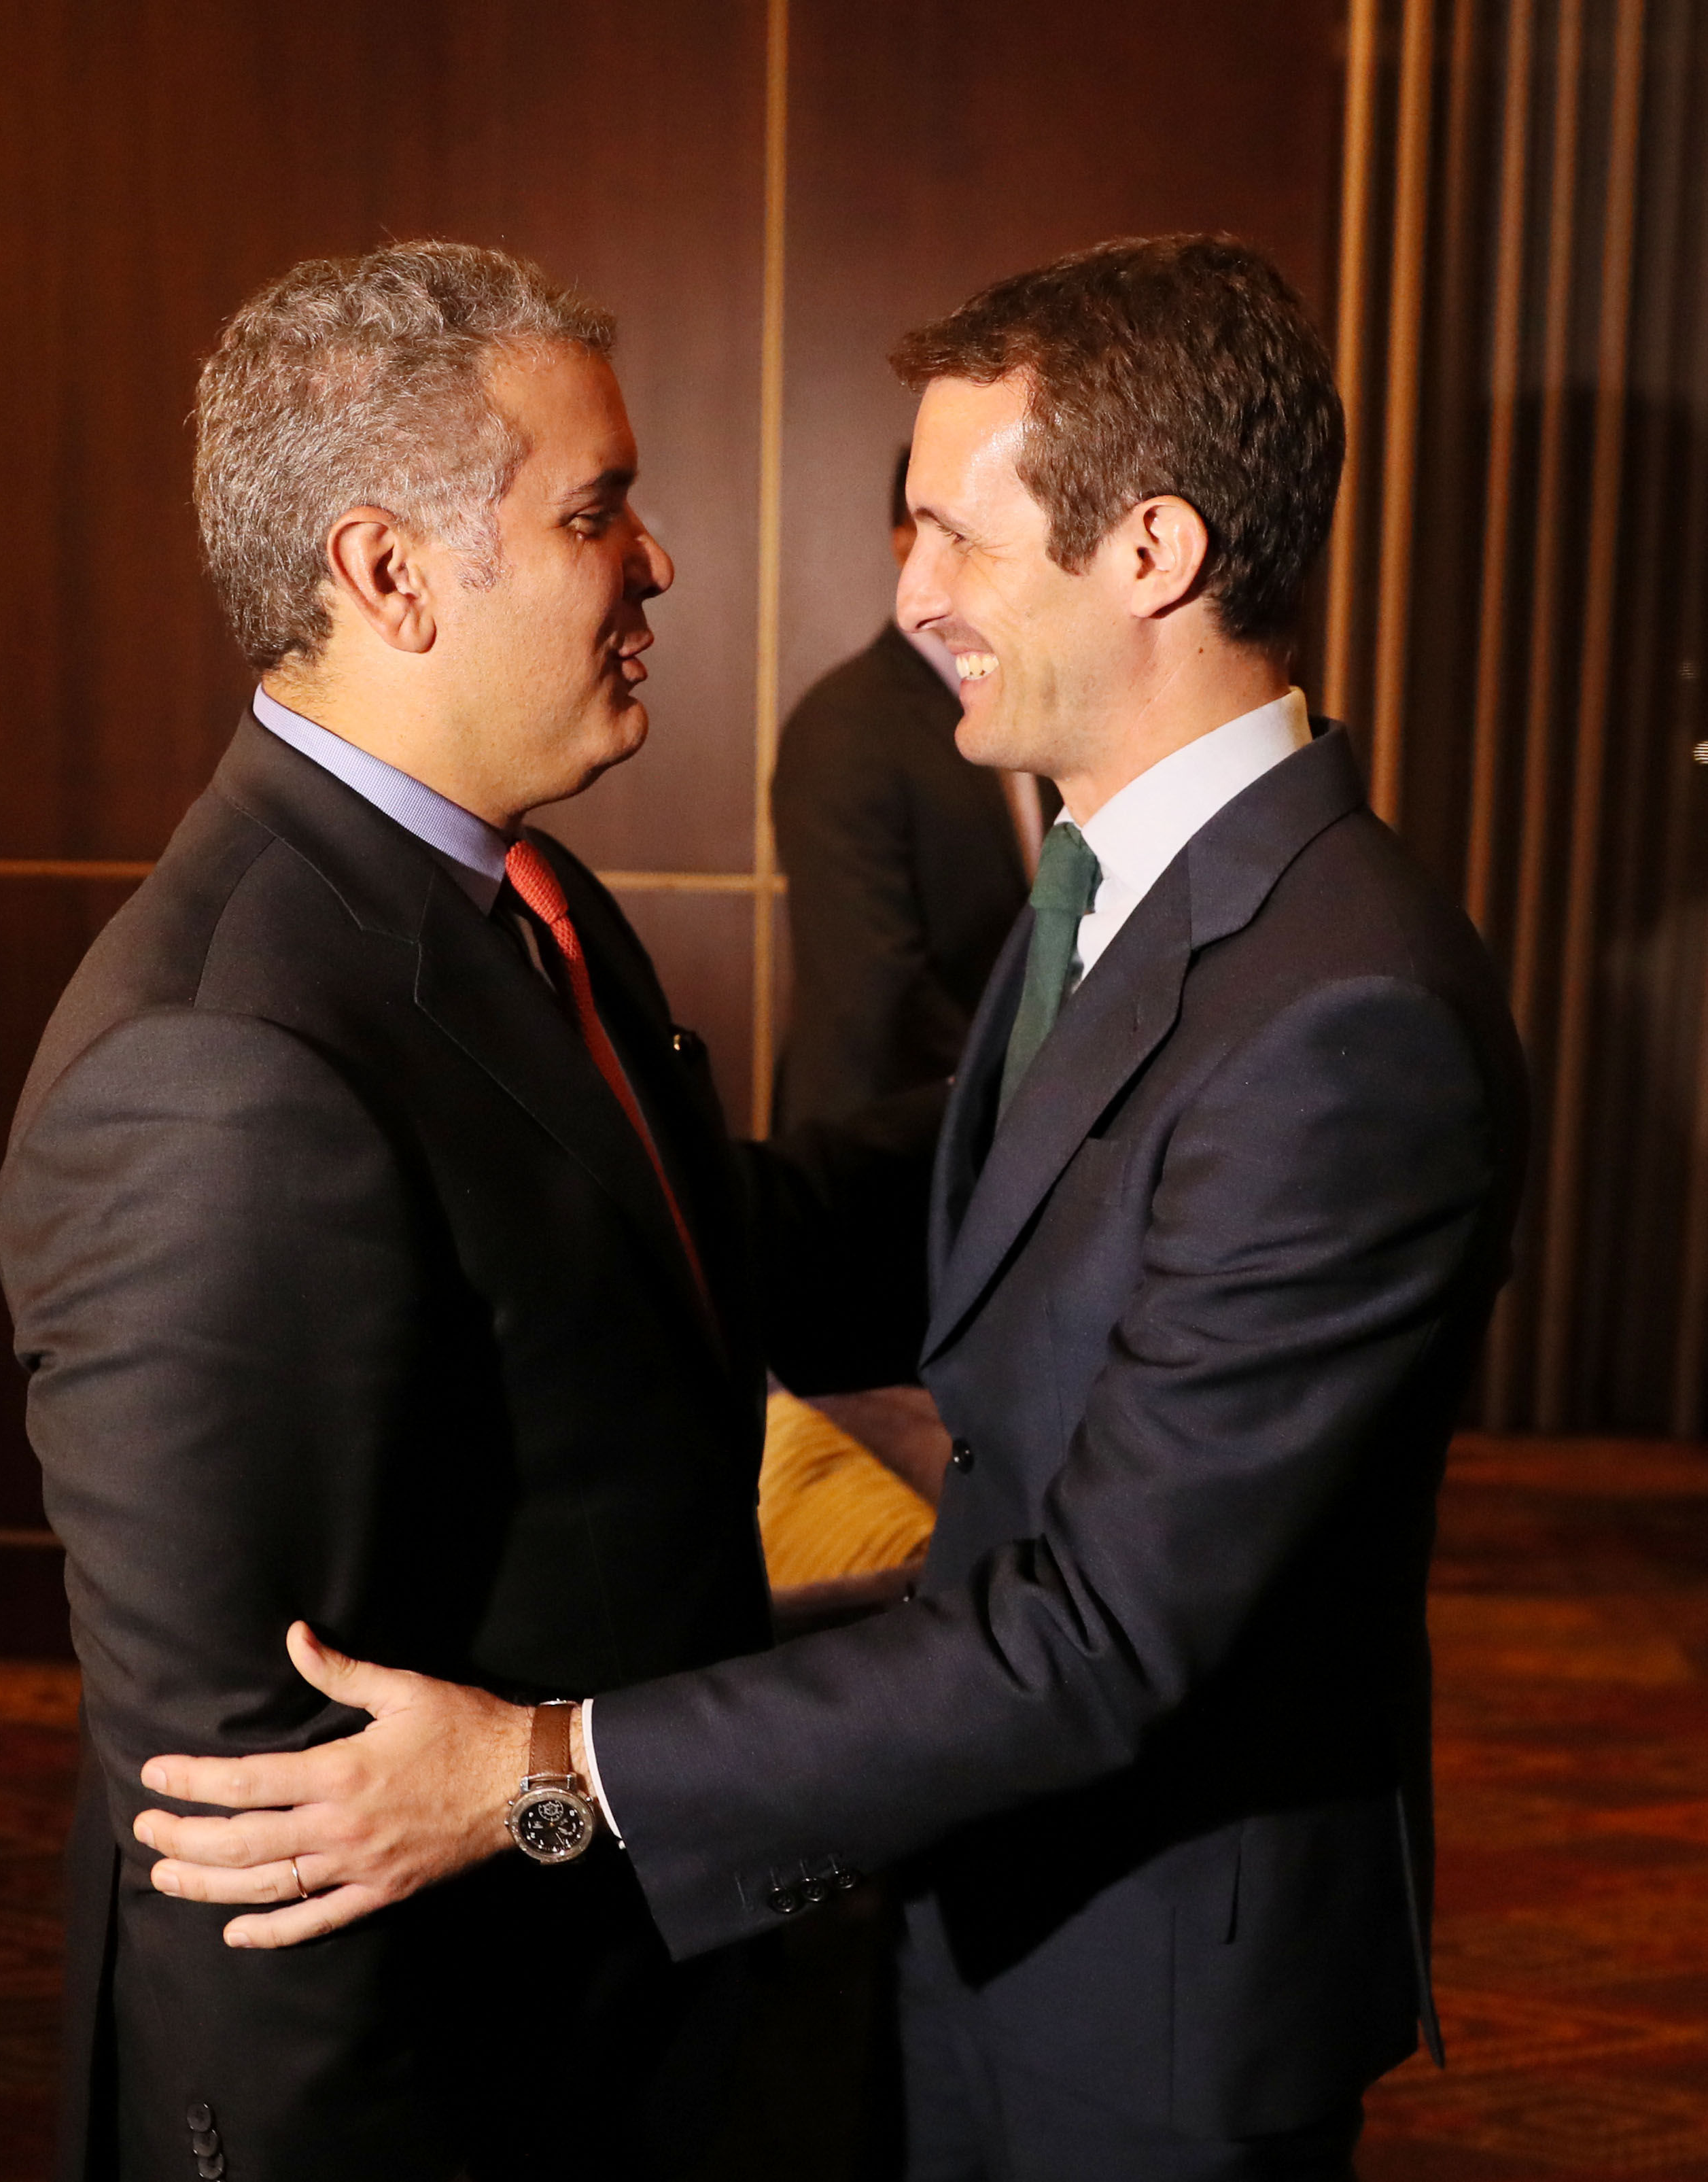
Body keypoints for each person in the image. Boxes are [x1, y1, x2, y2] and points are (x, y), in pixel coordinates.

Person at [133, 237, 1529, 2182]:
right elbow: (915, 1215)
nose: (908, 595)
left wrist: (539, 1775)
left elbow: (1096, 1635)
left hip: (1149, 1985)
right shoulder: (1147, 906)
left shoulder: (1348, 1013)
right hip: (986, 1898)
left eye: (952, 534)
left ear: (1148, 552)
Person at [0, 241, 930, 2182]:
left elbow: (684, 1261)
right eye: (596, 510)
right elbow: (250, 1831)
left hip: (625, 2003)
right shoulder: (216, 1066)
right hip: (440, 2084)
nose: (655, 561)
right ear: (388, 574)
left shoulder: (524, 898)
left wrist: (1074, 1118)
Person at [773, 448, 1051, 1135]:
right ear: (906, 545)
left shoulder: (1034, 701)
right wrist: (1024, 1094)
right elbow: (876, 984)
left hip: (991, 1131)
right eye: (959, 536)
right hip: (877, 1142)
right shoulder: (844, 722)